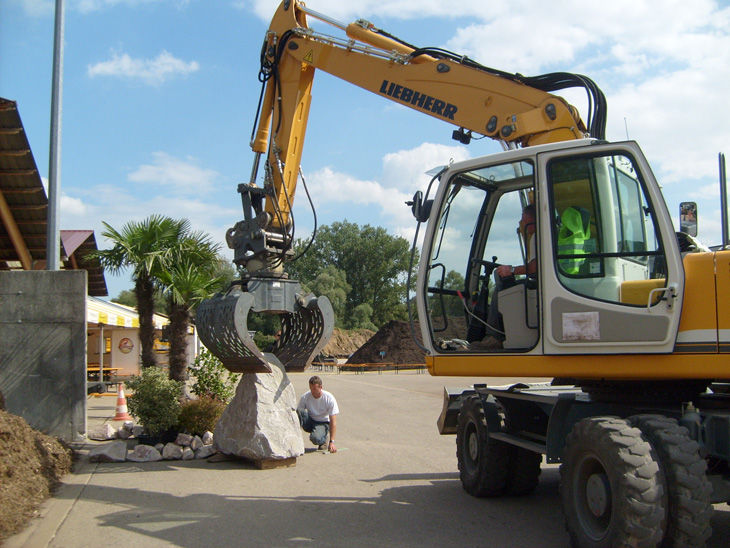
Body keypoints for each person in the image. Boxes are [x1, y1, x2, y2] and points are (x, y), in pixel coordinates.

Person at [482, 203, 537, 344]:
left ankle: (494, 335)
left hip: (539, 285)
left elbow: (534, 268)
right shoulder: (545, 235)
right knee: (501, 282)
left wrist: (511, 270)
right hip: (542, 283)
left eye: (524, 219)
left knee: (501, 289)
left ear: (532, 220)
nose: (522, 223)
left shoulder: (538, 237)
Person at [297, 375, 339, 453]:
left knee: (315, 438)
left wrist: (332, 442)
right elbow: (298, 414)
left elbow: (333, 421)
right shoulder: (305, 397)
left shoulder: (329, 398)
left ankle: (323, 440)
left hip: (323, 423)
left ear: (320, 387)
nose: (312, 391)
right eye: (310, 388)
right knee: (299, 411)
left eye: (314, 389)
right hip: (310, 421)